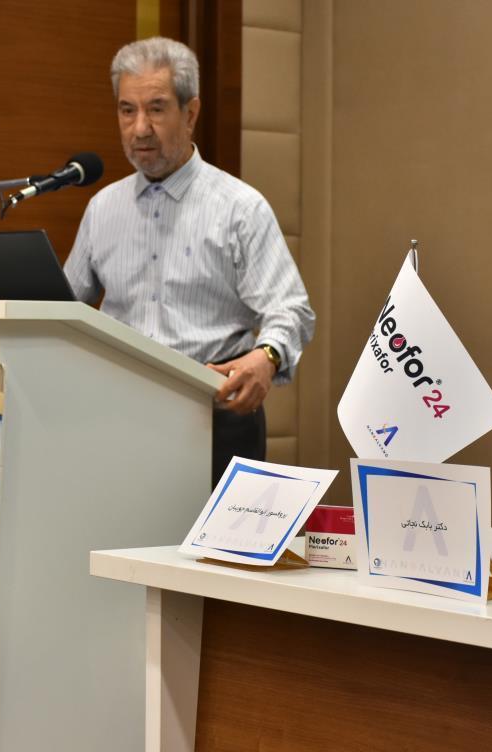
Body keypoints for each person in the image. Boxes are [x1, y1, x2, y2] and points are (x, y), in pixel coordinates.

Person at [64, 36, 315, 486]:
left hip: (215, 416)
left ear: (191, 113)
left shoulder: (240, 208)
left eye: (156, 109)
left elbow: (291, 309)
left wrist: (267, 356)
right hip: (117, 416)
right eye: (127, 110)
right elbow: (61, 309)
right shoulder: (103, 208)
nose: (140, 128)